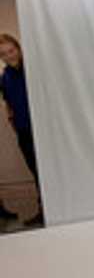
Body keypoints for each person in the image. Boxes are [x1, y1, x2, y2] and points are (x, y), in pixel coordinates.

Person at [0, 33, 44, 226]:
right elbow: (9, 103)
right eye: (4, 54)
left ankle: (56, 207)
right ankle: (43, 209)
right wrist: (13, 120)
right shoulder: (5, 77)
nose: (10, 56)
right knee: (36, 172)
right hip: (24, 132)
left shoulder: (34, 69)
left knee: (48, 172)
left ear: (18, 48)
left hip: (43, 130)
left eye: (12, 50)